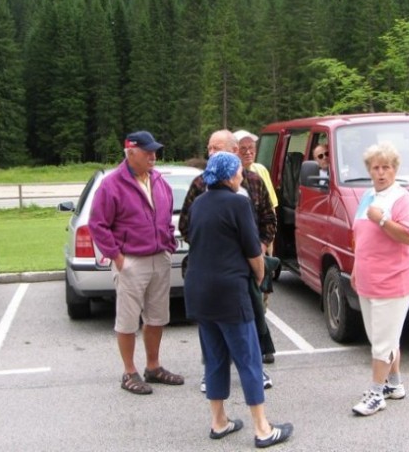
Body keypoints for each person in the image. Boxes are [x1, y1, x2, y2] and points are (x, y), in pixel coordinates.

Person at [183, 151, 293, 448]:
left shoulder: (199, 203)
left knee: (215, 358)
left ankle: (219, 422)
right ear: (230, 175)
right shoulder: (238, 202)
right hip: (230, 291)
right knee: (249, 359)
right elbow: (253, 249)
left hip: (199, 291)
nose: (242, 175)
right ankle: (262, 428)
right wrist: (259, 278)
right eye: (238, 172)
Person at [179, 129, 277, 391]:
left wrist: (261, 248)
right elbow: (185, 226)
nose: (211, 153)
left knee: (254, 319)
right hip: (216, 269)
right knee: (212, 325)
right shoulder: (201, 185)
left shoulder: (253, 181)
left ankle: (257, 371)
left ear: (233, 151)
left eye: (217, 148)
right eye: (209, 148)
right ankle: (212, 372)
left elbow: (269, 219)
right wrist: (215, 249)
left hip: (250, 265)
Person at [89, 130, 184, 395]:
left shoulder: (158, 180)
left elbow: (165, 217)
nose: (153, 156)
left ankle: (153, 367)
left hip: (159, 258)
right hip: (131, 261)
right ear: (131, 152)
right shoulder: (111, 184)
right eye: (147, 151)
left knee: (157, 317)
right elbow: (98, 224)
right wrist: (118, 258)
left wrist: (167, 244)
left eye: (155, 151)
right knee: (128, 321)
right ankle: (129, 372)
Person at [350, 141, 409, 416]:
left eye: (386, 167)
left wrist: (382, 220)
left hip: (392, 281)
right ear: (369, 170)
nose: (381, 173)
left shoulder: (402, 199)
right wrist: (356, 267)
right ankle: (394, 384)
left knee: (381, 342)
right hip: (367, 279)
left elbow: (408, 235)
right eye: (376, 167)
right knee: (386, 338)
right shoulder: (368, 196)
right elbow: (360, 237)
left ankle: (376, 394)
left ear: (395, 169)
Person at [233, 129, 278, 364]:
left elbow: (270, 213)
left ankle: (262, 344)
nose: (249, 153)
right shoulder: (221, 180)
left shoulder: (259, 175)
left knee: (261, 296)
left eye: (252, 149)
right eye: (243, 149)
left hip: (260, 248)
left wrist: (264, 245)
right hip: (234, 256)